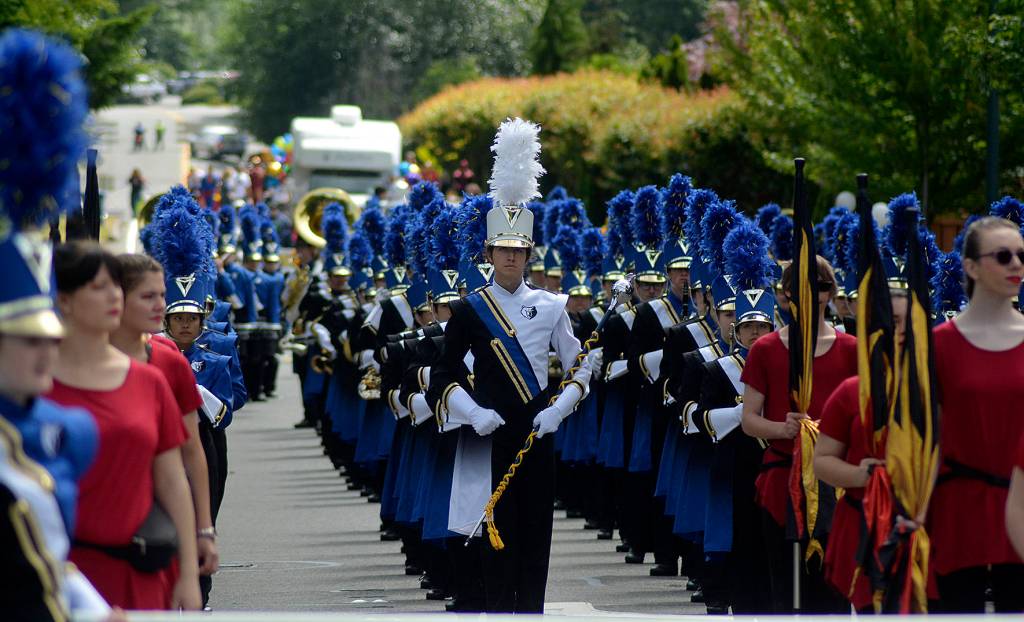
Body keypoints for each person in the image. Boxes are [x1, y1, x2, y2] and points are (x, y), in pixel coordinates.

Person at [429, 118, 592, 613]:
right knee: (491, 534)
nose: (511, 258)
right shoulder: (467, 308)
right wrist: (472, 412)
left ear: (529, 254)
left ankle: (531, 612)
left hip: (536, 433)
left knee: (535, 532)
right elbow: (443, 374)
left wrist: (559, 410)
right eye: (503, 250)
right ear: (489, 252)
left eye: (519, 251)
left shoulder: (552, 305)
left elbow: (580, 366)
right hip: (489, 432)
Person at [47, 242, 200, 610]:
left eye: (116, 285)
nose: (114, 295)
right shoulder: (36, 384)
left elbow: (172, 480)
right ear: (64, 300)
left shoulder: (149, 381)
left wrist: (189, 573)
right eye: (99, 287)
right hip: (57, 574)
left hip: (141, 570)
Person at [739, 255, 856, 613]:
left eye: (822, 286)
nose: (814, 294)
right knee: (786, 590)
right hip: (782, 481)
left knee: (833, 588)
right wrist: (782, 428)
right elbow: (749, 420)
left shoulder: (851, 349)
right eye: (805, 286)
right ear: (787, 294)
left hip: (834, 485)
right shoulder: (766, 349)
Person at [109, 254, 220, 596]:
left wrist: (203, 532)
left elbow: (185, 456)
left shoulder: (169, 360)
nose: (161, 305)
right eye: (148, 296)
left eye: (162, 295)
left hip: (153, 527)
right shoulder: (72, 360)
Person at [929, 216, 1024, 612]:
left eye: (1021, 255)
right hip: (956, 513)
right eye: (1003, 256)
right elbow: (924, 439)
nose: (1016, 265)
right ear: (970, 267)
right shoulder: (937, 346)